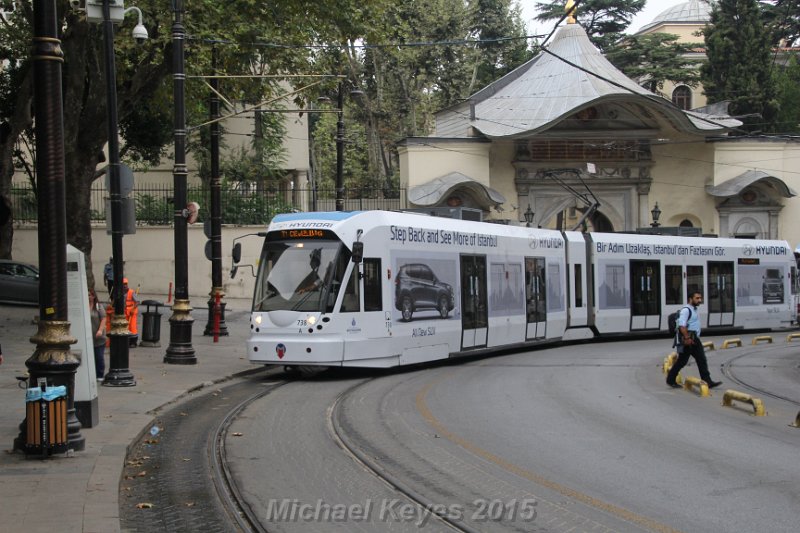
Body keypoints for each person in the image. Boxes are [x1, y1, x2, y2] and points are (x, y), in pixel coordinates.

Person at [666, 291, 722, 389]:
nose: (700, 300)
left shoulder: (694, 309)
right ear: (690, 299)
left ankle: (671, 379)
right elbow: (681, 325)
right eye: (697, 298)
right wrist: (687, 338)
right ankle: (671, 380)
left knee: (696, 360)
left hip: (693, 338)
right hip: (689, 339)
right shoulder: (686, 310)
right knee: (693, 360)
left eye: (700, 298)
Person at [88, 289, 107, 381]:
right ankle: (91, 374)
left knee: (99, 356)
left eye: (90, 295)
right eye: (87, 295)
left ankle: (100, 374)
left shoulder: (98, 306)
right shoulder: (84, 306)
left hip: (98, 337)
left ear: (93, 296)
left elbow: (103, 318)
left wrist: (100, 330)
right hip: (89, 337)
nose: (88, 297)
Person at [121, 278, 139, 347]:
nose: (125, 285)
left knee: (132, 327)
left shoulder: (131, 292)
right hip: (125, 312)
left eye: (126, 284)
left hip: (132, 313)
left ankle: (133, 342)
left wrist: (133, 309)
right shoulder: (121, 292)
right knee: (125, 328)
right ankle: (126, 342)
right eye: (123, 284)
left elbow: (137, 302)